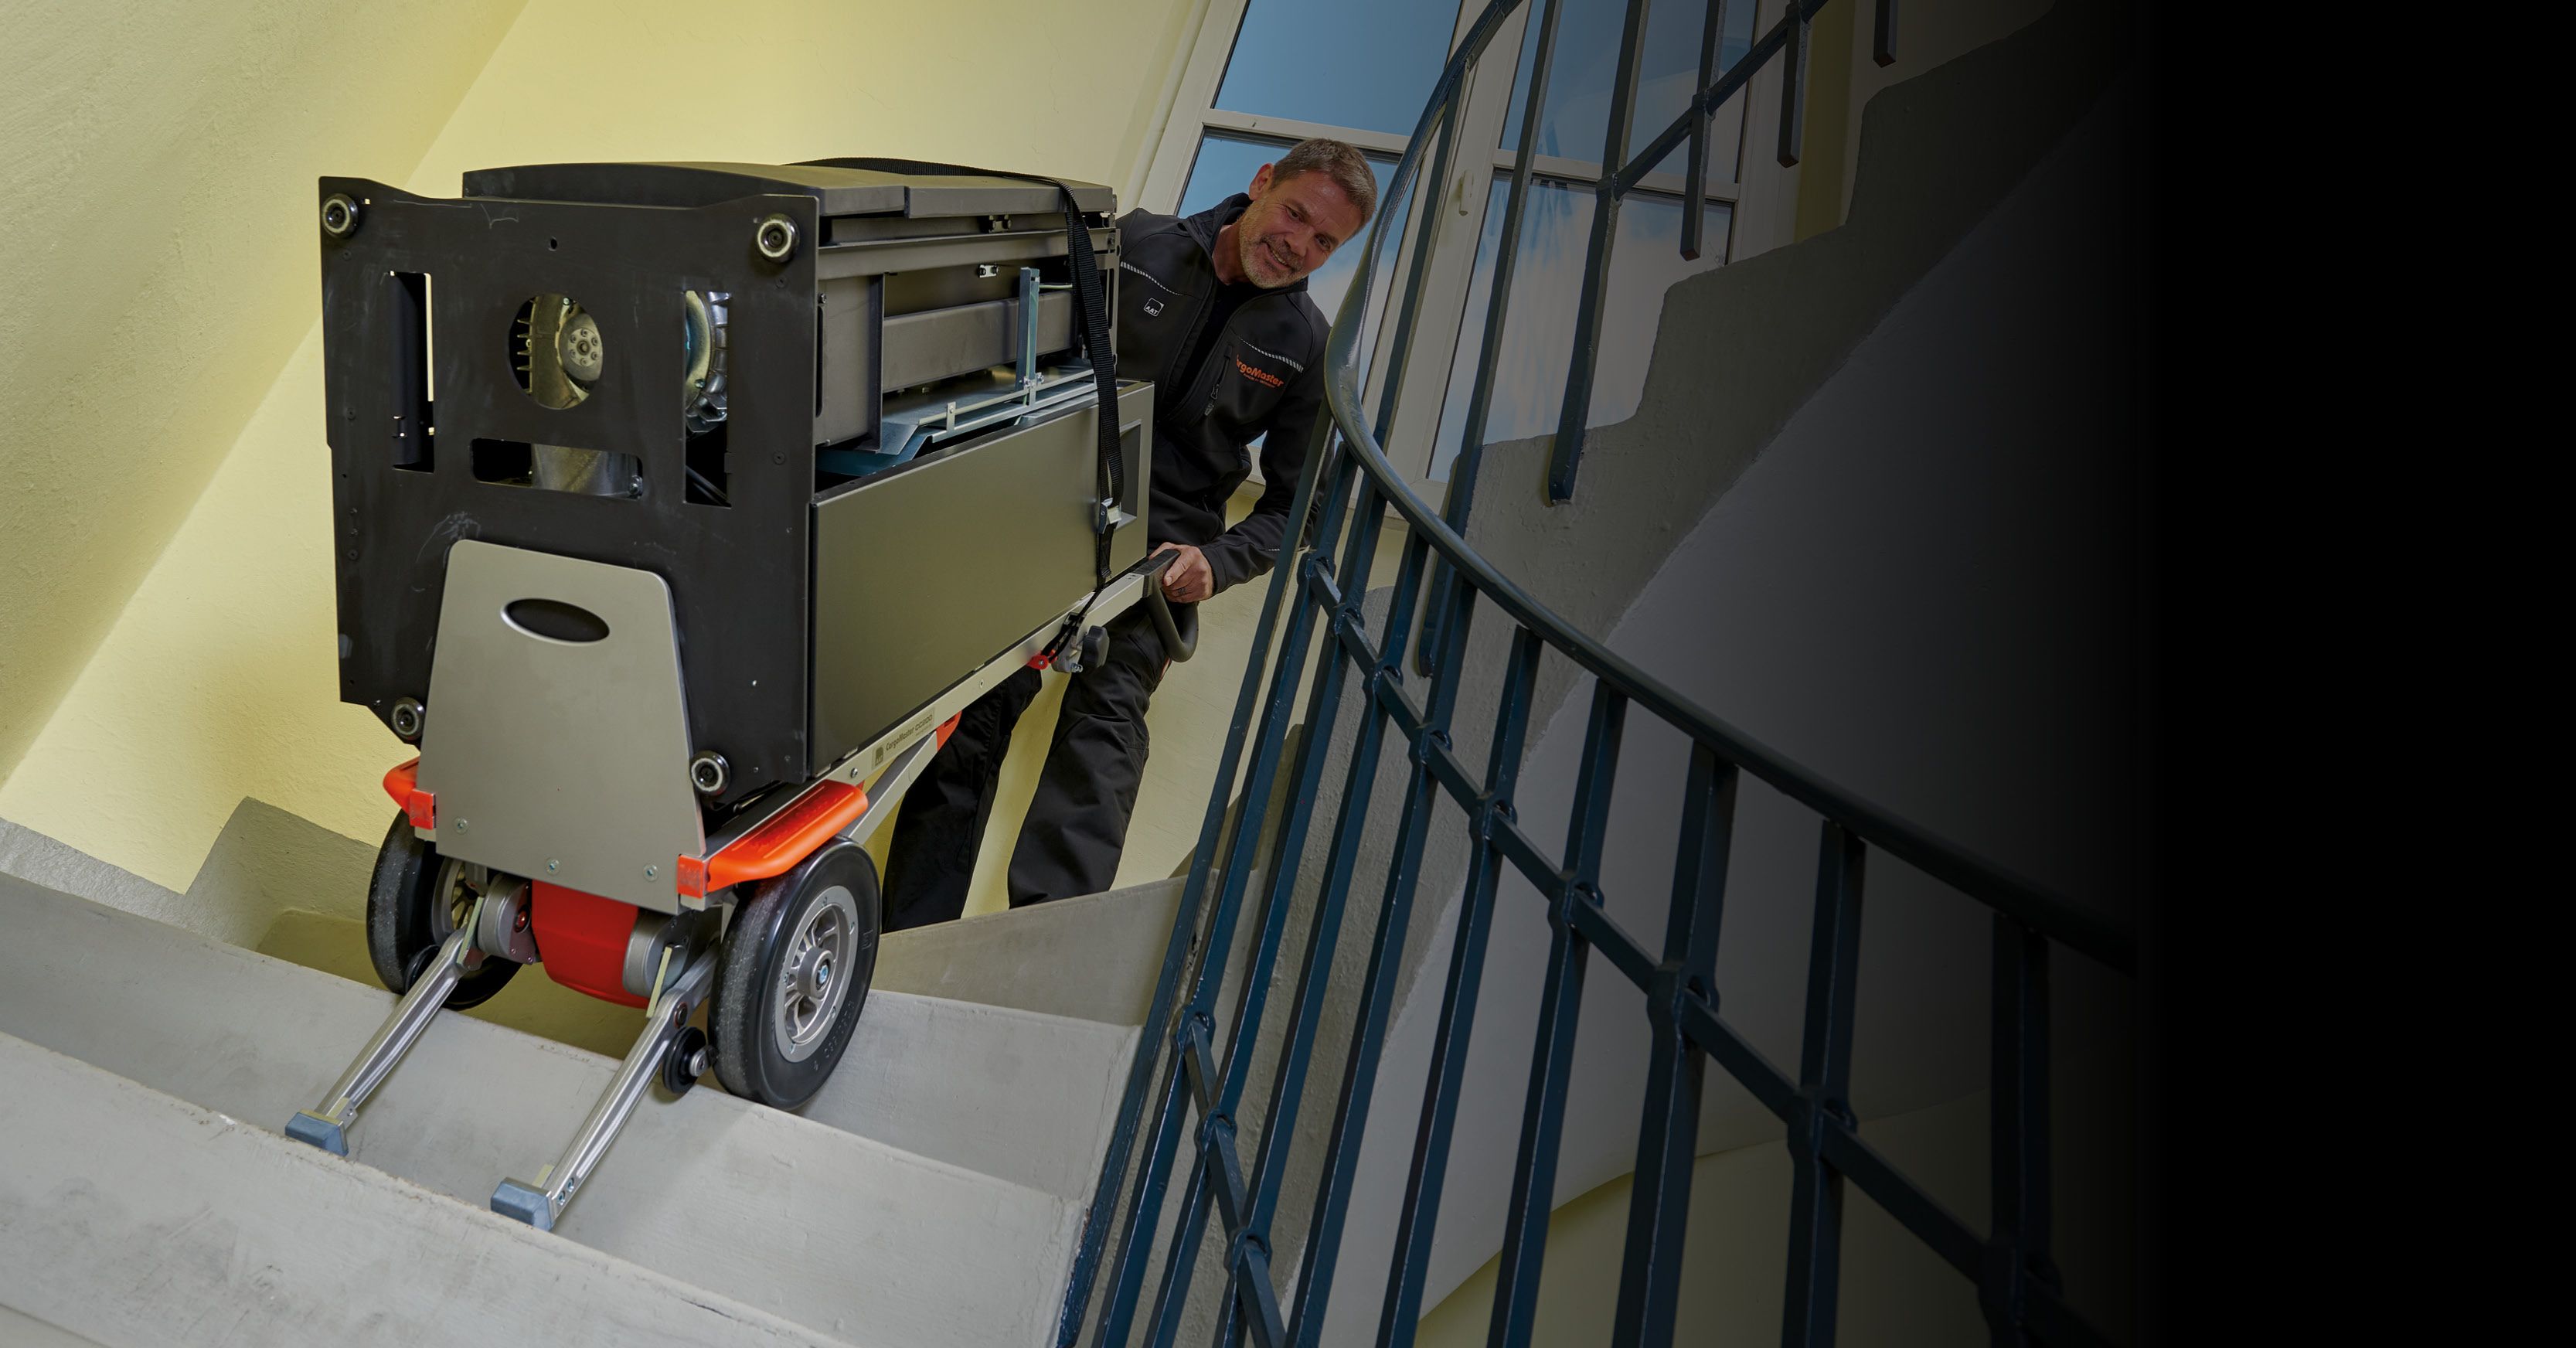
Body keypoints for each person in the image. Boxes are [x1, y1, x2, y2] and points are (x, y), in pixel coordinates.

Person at [879, 138, 1377, 930]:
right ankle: (904, 940)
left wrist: (1218, 562)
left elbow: (1302, 508)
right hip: (1044, 519)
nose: (1300, 245)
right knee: (972, 724)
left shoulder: (1306, 348)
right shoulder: (1136, 242)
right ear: (1261, 184)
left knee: (1104, 737)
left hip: (1159, 555)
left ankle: (1040, 958)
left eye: (1326, 242)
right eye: (1296, 214)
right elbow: (1023, 351)